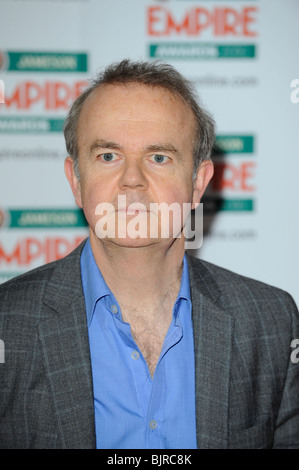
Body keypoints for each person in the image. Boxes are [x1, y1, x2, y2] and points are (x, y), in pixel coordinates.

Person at [0, 59, 298, 449]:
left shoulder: (272, 321)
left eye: (159, 157)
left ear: (197, 184)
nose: (133, 180)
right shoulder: (7, 323)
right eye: (109, 156)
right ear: (76, 180)